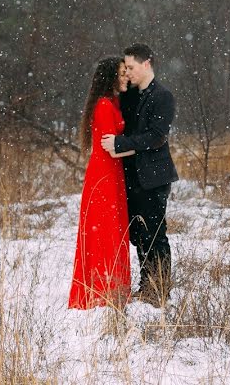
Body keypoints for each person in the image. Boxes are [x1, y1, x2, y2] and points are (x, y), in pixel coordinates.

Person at [102, 43, 178, 306]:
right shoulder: (131, 95)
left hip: (154, 178)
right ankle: (146, 285)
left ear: (147, 64)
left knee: (156, 235)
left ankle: (161, 291)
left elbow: (156, 137)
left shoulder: (163, 96)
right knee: (138, 236)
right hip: (131, 178)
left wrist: (121, 144)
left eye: (132, 67)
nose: (129, 73)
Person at [68, 57, 135, 309]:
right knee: (105, 232)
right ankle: (101, 291)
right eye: (120, 73)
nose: (125, 76)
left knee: (112, 231)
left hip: (112, 174)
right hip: (104, 174)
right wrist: (142, 146)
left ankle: (111, 289)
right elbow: (111, 149)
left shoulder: (114, 103)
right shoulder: (105, 105)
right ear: (110, 77)